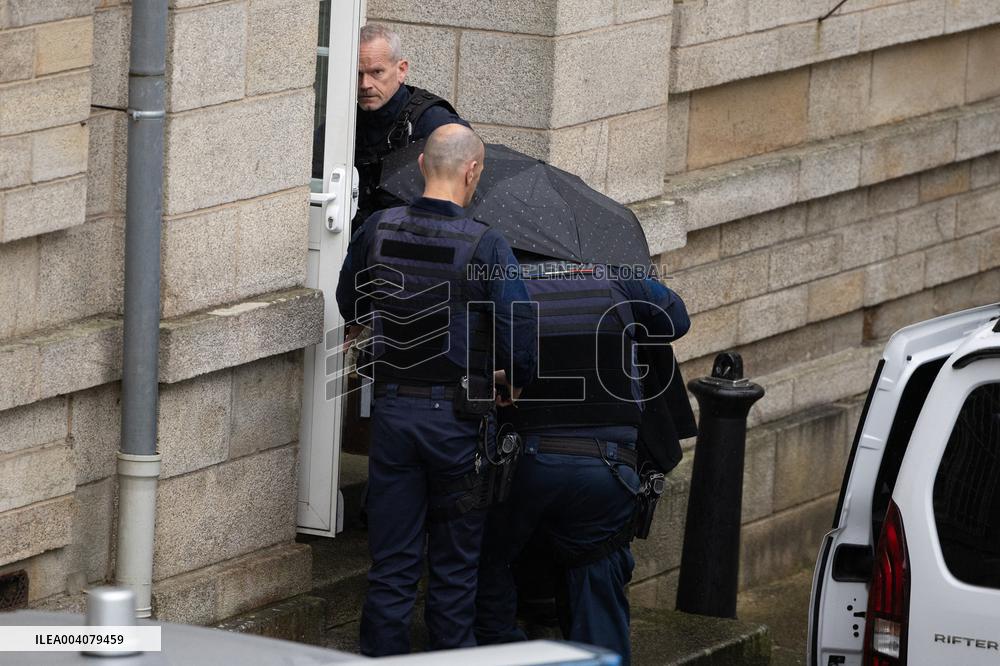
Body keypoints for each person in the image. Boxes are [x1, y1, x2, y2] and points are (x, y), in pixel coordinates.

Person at [336, 124, 536, 657]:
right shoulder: (485, 242)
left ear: (423, 165)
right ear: (473, 172)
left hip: (395, 415)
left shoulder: (378, 227)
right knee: (454, 566)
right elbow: (520, 333)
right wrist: (512, 384)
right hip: (459, 423)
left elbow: (349, 301)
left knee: (393, 563)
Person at [475, 261, 690, 665]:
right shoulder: (617, 279)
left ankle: (504, 648)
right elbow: (676, 319)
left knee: (487, 558)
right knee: (598, 570)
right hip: (608, 469)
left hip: (525, 464)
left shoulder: (508, 281)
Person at [313, 23, 470, 231]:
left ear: (401, 70)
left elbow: (460, 190)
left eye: (376, 72)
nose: (365, 84)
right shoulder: (341, 121)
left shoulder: (433, 122)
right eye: (358, 73)